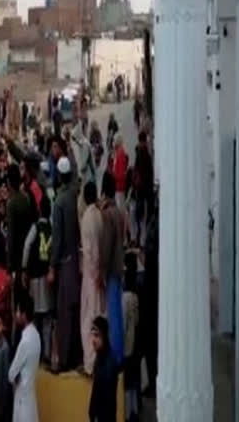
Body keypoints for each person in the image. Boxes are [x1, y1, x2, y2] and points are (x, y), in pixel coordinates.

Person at [50, 156, 82, 373]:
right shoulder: (75, 195)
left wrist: (52, 265)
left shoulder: (60, 201)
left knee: (64, 313)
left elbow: (57, 237)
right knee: (75, 310)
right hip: (76, 259)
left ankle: (65, 360)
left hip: (65, 263)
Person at [21, 196, 53, 363]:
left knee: (36, 317)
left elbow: (27, 246)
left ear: (40, 210)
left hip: (34, 276)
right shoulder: (51, 228)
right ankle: (46, 352)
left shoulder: (35, 227)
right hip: (47, 277)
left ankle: (37, 352)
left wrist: (24, 268)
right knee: (47, 317)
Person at [99, 173, 125, 366]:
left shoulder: (107, 214)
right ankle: (119, 352)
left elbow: (106, 246)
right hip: (119, 266)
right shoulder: (118, 212)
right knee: (117, 311)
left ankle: (116, 356)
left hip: (112, 270)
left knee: (113, 312)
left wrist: (102, 270)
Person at [80, 181, 105, 375]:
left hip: (91, 274)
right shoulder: (98, 215)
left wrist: (94, 273)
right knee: (98, 313)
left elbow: (89, 251)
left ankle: (90, 363)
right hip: (98, 274)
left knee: (88, 317)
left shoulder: (87, 218)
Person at [8, 296, 40, 422]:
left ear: (24, 315)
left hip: (22, 399)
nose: (16, 315)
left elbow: (11, 374)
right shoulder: (36, 335)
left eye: (18, 311)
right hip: (30, 396)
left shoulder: (25, 341)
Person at [88, 316, 118, 422]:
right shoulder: (100, 357)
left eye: (97, 335)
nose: (93, 340)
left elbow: (107, 401)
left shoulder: (109, 363)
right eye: (93, 335)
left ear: (104, 336)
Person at [123, 255, 140, 422]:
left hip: (127, 346)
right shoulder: (135, 295)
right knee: (133, 380)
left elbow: (123, 325)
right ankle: (134, 411)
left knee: (127, 382)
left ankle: (128, 414)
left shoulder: (125, 298)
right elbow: (136, 321)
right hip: (135, 344)